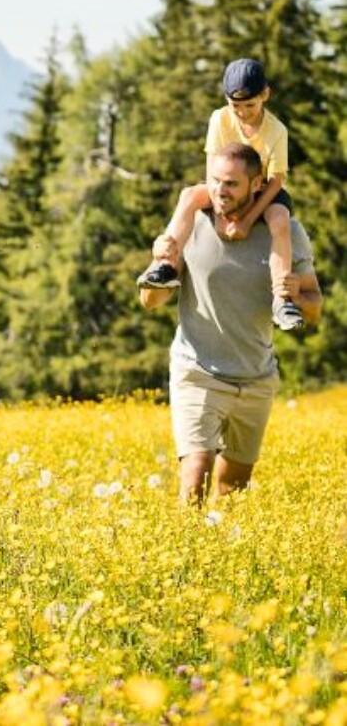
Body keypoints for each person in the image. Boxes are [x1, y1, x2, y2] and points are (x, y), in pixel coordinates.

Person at [139, 142, 321, 505]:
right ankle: (184, 555)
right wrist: (161, 267)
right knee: (196, 470)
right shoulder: (191, 225)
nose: (221, 191)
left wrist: (296, 295)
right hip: (197, 370)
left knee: (234, 487)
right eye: (215, 181)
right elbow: (149, 300)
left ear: (256, 185)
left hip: (255, 377)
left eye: (232, 184)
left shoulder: (286, 232)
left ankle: (219, 553)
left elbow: (314, 306)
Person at [137, 58, 305, 331]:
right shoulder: (220, 118)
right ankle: (166, 264)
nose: (242, 113)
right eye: (235, 105)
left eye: (249, 105)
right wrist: (219, 213)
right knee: (189, 195)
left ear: (265, 95)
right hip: (225, 185)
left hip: (262, 190)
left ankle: (282, 298)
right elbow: (212, 169)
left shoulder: (276, 130)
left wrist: (248, 220)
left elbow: (276, 180)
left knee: (280, 220)